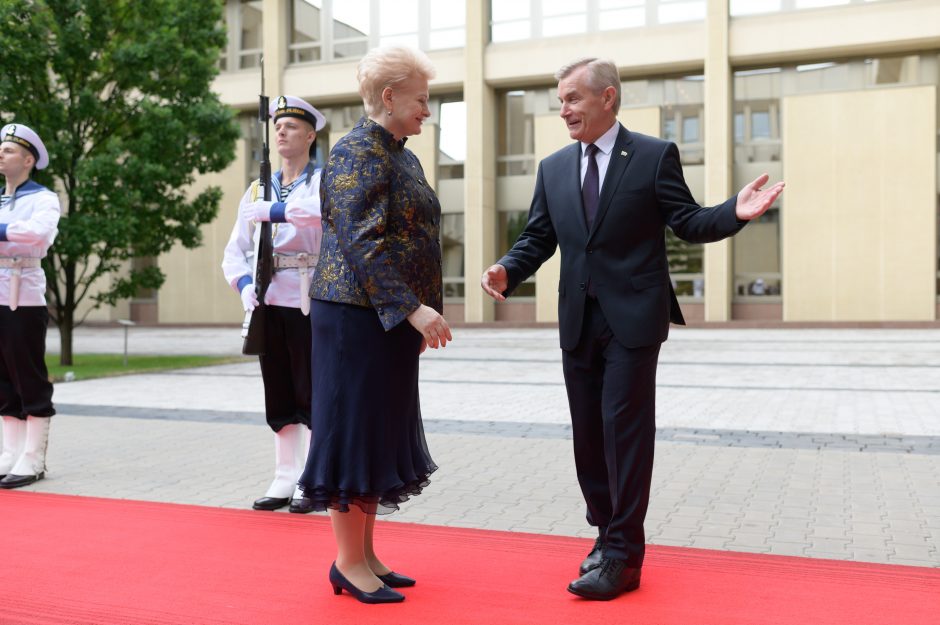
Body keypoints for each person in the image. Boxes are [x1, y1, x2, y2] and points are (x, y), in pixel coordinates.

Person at [481, 58, 784, 600]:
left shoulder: (651, 155)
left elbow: (687, 221)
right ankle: (606, 535)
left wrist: (733, 212)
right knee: (588, 438)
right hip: (578, 319)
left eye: (573, 98)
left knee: (624, 432)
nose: (564, 109)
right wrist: (509, 267)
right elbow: (538, 237)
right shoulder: (553, 168)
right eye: (560, 101)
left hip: (633, 321)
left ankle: (623, 553)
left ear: (608, 98)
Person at [297, 45, 450, 605]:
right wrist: (414, 308)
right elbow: (363, 243)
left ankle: (365, 555)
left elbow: (413, 240)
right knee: (352, 432)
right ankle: (346, 561)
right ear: (389, 97)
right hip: (355, 318)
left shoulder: (401, 153)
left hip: (385, 320)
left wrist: (415, 311)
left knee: (377, 430)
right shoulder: (356, 151)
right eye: (421, 99)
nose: (427, 110)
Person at [221, 95, 326, 514]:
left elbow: (323, 213)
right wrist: (245, 284)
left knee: (313, 389)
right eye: (277, 125)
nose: (281, 131)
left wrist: (276, 210)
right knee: (278, 387)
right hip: (268, 298)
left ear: (311, 135)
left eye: (292, 126)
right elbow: (235, 249)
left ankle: (313, 476)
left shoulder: (323, 179)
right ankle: (285, 475)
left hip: (311, 297)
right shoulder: (256, 187)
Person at [0, 123, 60, 489]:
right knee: (3, 376)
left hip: (24, 294)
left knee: (27, 372)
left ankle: (33, 456)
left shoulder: (44, 198)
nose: (0, 154)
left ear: (28, 160)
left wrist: (4, 233)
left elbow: (37, 234)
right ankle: (10, 452)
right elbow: (19, 233)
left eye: (8, 150)